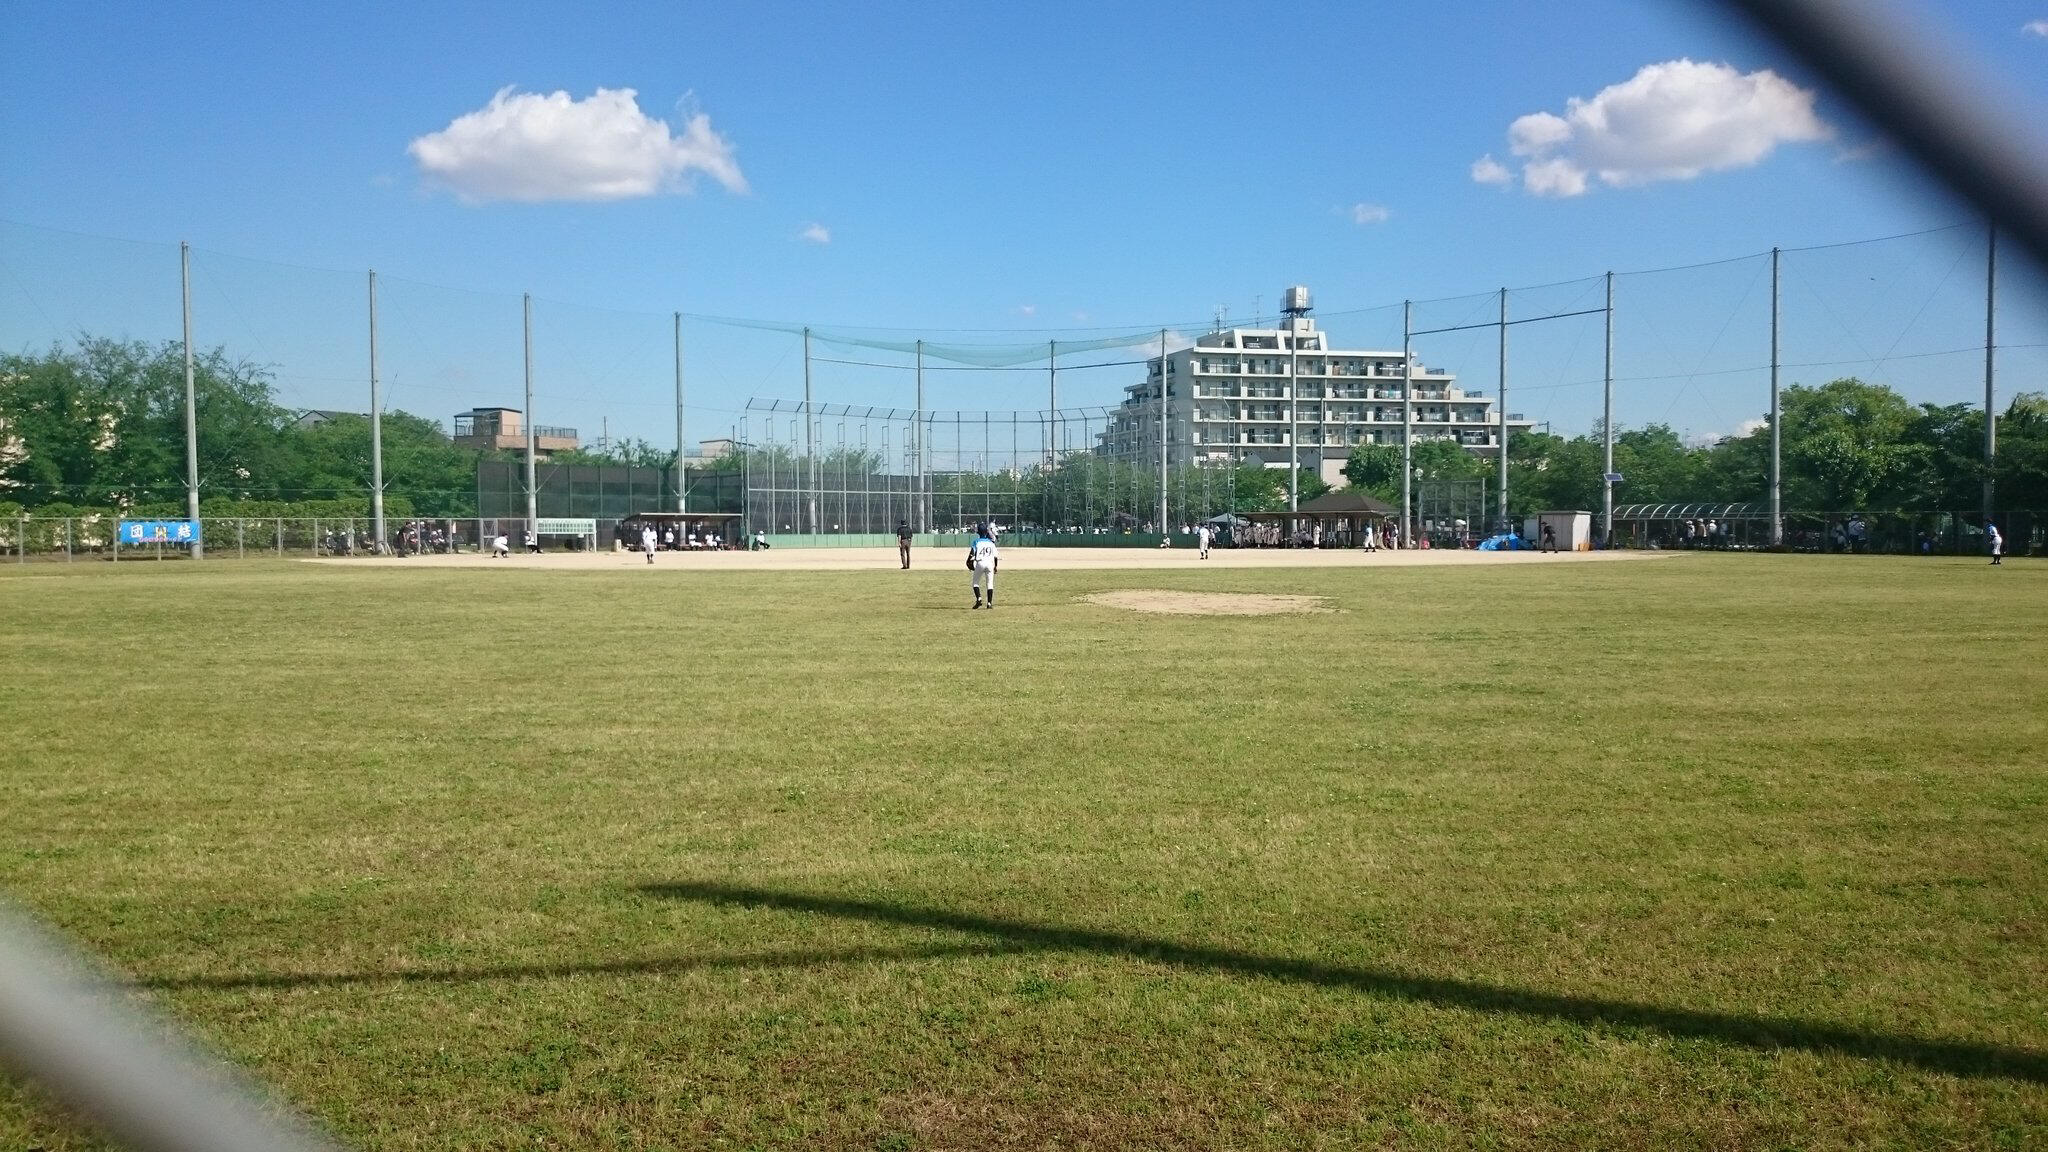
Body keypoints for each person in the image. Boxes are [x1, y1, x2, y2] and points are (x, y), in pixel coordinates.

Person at [967, 523, 999, 609]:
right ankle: (989, 603)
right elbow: (995, 556)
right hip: (990, 564)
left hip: (980, 563)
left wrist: (968, 563)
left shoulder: (976, 542)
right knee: (990, 584)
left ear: (978, 532)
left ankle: (979, 598)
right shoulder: (991, 543)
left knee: (975, 583)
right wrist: (995, 566)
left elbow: (971, 554)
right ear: (986, 532)